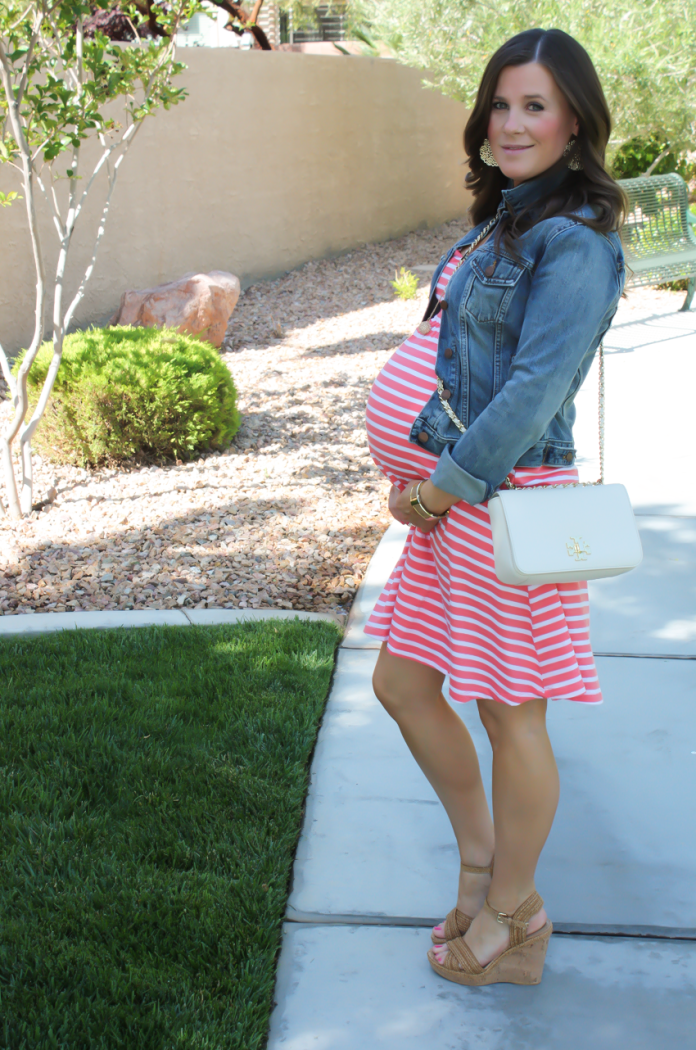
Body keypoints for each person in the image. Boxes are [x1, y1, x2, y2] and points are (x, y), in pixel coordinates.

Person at [364, 27, 626, 987]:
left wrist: (440, 483)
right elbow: (457, 369)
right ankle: (482, 862)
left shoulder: (576, 242)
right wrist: (418, 466)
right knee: (403, 686)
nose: (512, 123)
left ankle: (516, 914)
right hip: (449, 509)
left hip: (502, 505)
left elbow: (531, 390)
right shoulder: (505, 220)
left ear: (574, 122)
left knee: (514, 716)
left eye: (536, 106)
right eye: (502, 104)